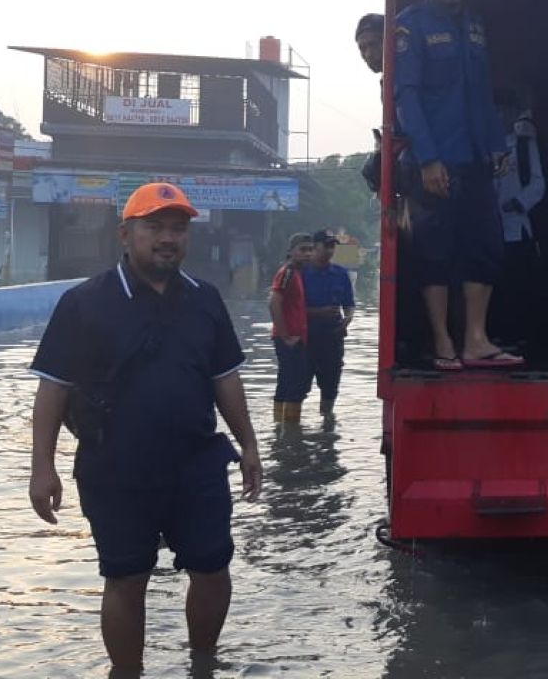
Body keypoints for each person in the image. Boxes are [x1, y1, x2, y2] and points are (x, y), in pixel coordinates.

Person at [27, 182, 262, 674]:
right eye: (153, 226)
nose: (167, 238)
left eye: (177, 228)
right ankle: (127, 673)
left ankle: (203, 664)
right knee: (126, 578)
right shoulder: (84, 302)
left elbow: (226, 379)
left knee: (213, 568)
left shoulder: (205, 300)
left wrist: (250, 446)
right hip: (115, 465)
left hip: (197, 462)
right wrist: (41, 467)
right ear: (125, 234)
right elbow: (53, 389)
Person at [393, 0, 522, 371]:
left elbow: (481, 93)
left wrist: (496, 145)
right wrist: (428, 159)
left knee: (484, 246)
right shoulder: (410, 26)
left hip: (476, 156)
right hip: (437, 160)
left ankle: (476, 340)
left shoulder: (474, 25)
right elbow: (406, 98)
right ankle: (443, 342)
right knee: (436, 253)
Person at [491, 93, 545, 350]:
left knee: (520, 282)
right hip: (491, 226)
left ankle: (520, 336)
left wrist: (519, 202)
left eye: (506, 110)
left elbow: (538, 183)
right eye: (497, 111)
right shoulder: (486, 145)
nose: (501, 116)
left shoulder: (524, 145)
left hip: (518, 224)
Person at [301, 229, 356, 415]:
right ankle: (292, 432)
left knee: (330, 386)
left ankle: (327, 425)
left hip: (332, 337)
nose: (330, 250)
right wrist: (319, 312)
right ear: (315, 247)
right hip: (305, 338)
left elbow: (349, 304)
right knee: (298, 386)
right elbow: (290, 309)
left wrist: (348, 319)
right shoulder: (300, 273)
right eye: (326, 246)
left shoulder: (340, 274)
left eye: (333, 246)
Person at [269, 232, 315, 421]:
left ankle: (281, 429)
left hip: (293, 338)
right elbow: (273, 302)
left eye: (310, 250)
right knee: (294, 385)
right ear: (291, 251)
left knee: (286, 383)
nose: (308, 254)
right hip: (289, 340)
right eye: (303, 250)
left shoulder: (296, 272)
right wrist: (286, 337)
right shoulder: (287, 272)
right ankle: (291, 433)